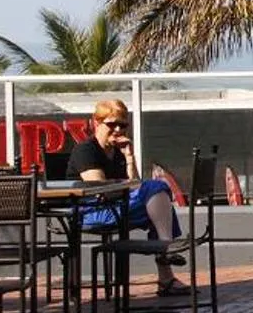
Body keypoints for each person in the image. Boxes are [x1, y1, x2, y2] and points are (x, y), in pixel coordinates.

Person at [68, 98, 188, 298]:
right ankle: (166, 251)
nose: (117, 130)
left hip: (115, 207)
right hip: (90, 211)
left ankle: (166, 273)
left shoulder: (118, 153)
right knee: (156, 192)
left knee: (158, 203)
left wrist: (129, 158)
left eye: (122, 125)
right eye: (111, 124)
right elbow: (100, 189)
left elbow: (135, 187)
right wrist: (137, 190)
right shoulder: (85, 150)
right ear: (96, 123)